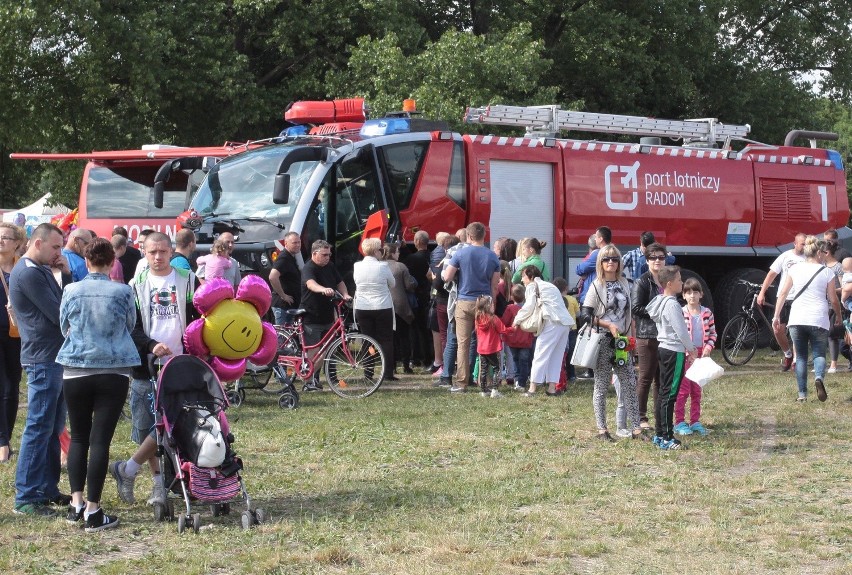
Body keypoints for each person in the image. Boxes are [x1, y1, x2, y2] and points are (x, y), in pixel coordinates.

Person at [110, 232, 199, 506]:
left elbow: (198, 317)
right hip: (146, 366)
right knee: (150, 426)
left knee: (176, 422)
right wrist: (151, 345)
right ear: (144, 253)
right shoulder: (134, 286)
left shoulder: (188, 281)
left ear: (171, 251)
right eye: (152, 252)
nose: (158, 257)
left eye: (162, 251)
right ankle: (158, 484)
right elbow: (131, 328)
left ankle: (129, 469)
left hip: (180, 364)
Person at [57, 238, 139, 532]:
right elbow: (129, 325)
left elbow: (63, 324)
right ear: (112, 262)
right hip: (113, 368)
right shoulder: (123, 291)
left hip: (75, 367)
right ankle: (94, 509)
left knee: (79, 437)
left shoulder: (71, 289)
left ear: (86, 260)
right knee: (100, 439)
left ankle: (76, 503)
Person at [9, 223, 70, 516]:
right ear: (38, 243)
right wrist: (65, 276)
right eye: (56, 247)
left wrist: (65, 272)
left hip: (51, 357)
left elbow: (63, 305)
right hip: (42, 359)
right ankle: (26, 495)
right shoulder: (30, 273)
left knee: (53, 427)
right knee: (38, 426)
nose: (59, 252)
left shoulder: (40, 269)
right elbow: (61, 312)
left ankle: (46, 488)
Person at [581, 244, 643, 441]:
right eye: (606, 259)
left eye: (614, 259)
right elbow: (585, 315)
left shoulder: (625, 283)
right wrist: (607, 325)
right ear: (600, 262)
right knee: (601, 386)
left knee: (629, 384)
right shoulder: (596, 285)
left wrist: (632, 342)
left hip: (622, 342)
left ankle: (636, 429)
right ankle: (602, 430)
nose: (611, 263)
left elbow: (630, 314)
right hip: (603, 341)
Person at [774, 236, 841, 402]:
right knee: (819, 353)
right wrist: (839, 316)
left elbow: (783, 293)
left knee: (801, 356)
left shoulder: (795, 269)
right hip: (818, 318)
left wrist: (776, 315)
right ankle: (819, 377)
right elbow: (833, 299)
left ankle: (802, 395)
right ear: (819, 252)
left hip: (797, 318)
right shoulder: (827, 272)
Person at [442, 222, 501, 393]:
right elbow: (495, 285)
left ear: (468, 236)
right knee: (486, 342)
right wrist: (492, 304)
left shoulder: (460, 253)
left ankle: (461, 383)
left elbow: (446, 277)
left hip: (464, 301)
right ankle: (488, 381)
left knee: (463, 343)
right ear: (484, 236)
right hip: (484, 301)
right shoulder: (492, 256)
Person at [646, 265, 697, 450]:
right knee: (670, 395)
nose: (681, 283)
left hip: (663, 349)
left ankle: (659, 434)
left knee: (663, 393)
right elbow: (681, 330)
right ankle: (667, 436)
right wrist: (691, 349)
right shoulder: (672, 304)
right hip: (674, 351)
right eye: (679, 280)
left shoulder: (660, 301)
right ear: (669, 283)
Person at [300, 240, 351, 389]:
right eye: (324, 255)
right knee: (314, 351)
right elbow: (310, 284)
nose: (327, 257)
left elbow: (339, 281)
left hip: (327, 315)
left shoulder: (330, 266)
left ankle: (313, 378)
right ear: (314, 254)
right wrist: (323, 289)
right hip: (311, 315)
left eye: (329, 254)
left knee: (326, 350)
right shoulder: (309, 267)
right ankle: (307, 381)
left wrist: (345, 294)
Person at [516, 266, 574, 396]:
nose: (522, 280)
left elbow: (529, 306)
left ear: (530, 277)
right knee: (556, 357)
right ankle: (552, 389)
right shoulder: (549, 285)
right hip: (565, 323)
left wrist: (517, 320)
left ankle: (532, 389)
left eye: (523, 276)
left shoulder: (532, 286)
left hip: (552, 322)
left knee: (540, 354)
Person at [631, 242, 668, 430]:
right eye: (653, 257)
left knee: (660, 379)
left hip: (665, 337)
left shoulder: (668, 280)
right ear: (647, 261)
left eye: (661, 257)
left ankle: (660, 416)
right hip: (647, 335)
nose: (657, 261)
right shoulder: (642, 281)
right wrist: (659, 312)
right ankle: (640, 417)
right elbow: (636, 308)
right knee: (645, 376)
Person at [673, 278, 716, 437]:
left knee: (697, 390)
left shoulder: (707, 313)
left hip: (700, 356)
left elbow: (713, 334)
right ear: (683, 295)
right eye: (688, 292)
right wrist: (687, 351)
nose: (692, 295)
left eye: (695, 292)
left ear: (701, 294)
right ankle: (679, 421)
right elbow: (677, 334)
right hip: (685, 356)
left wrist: (707, 348)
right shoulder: (681, 312)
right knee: (683, 390)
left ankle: (695, 421)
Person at [757, 233, 805, 371]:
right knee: (778, 329)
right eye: (802, 244)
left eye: (806, 244)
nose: (804, 247)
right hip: (784, 297)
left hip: (800, 297)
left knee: (797, 330)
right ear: (795, 243)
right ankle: (788, 354)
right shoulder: (786, 256)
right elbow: (772, 274)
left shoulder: (809, 258)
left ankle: (797, 360)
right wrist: (762, 292)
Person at [352, 238, 395, 382]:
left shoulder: (357, 266)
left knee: (367, 339)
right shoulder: (383, 266)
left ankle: (368, 372)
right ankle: (388, 371)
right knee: (386, 340)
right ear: (377, 251)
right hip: (382, 305)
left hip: (363, 306)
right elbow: (392, 284)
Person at [0, 223, 24, 463]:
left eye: (6, 237)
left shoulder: (23, 268)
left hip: (18, 334)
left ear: (17, 243)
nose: (1, 241)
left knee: (11, 388)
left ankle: (5, 438)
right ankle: (2, 442)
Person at [384, 243, 417, 378]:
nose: (399, 254)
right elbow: (409, 285)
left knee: (390, 338)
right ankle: (406, 365)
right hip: (400, 306)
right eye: (397, 252)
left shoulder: (381, 266)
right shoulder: (400, 266)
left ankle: (391, 366)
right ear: (392, 253)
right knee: (404, 337)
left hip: (385, 305)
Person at [474, 295, 513, 398]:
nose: (493, 306)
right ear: (488, 306)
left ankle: (483, 390)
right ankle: (495, 390)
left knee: (483, 370)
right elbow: (503, 330)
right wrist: (513, 329)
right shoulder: (493, 318)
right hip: (493, 348)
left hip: (482, 349)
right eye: (492, 304)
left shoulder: (477, 318)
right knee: (497, 369)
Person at [404, 230, 433, 369]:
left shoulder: (411, 259)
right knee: (428, 329)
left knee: (414, 328)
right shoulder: (434, 256)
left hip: (416, 297)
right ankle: (429, 358)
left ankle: (415, 357)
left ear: (416, 242)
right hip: (430, 296)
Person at [501, 283, 534, 391]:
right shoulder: (529, 308)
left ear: (511, 296)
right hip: (526, 340)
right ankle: (522, 382)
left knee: (515, 360)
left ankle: (517, 380)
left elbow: (504, 322)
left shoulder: (510, 308)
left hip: (512, 340)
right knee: (524, 361)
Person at [269, 231, 302, 326]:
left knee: (288, 338)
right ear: (286, 243)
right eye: (294, 243)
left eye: (299, 242)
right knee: (282, 338)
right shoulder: (284, 258)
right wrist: (283, 295)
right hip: (282, 306)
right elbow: (272, 277)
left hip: (289, 306)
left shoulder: (291, 257)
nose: (298, 245)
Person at [822, 241, 843, 373]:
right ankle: (823, 362)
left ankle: (833, 364)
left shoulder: (838, 267)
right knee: (822, 334)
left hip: (834, 304)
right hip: (823, 304)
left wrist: (832, 291)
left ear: (827, 253)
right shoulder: (821, 266)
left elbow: (844, 286)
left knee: (832, 334)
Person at [576, 226, 612, 303]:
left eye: (596, 237)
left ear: (601, 239)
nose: (595, 239)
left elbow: (579, 269)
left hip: (592, 298)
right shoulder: (614, 252)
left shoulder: (598, 254)